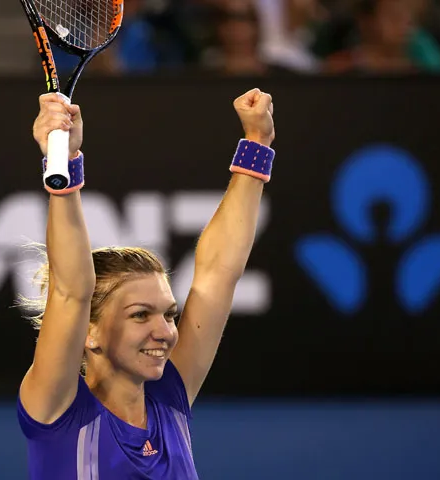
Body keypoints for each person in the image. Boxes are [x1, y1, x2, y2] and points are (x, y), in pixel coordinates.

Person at [17, 86, 276, 479]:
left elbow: (218, 274)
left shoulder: (169, 397)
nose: (166, 332)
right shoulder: (58, 410)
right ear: (89, 331)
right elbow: (71, 291)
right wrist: (65, 164)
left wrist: (257, 143)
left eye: (168, 314)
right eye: (140, 315)